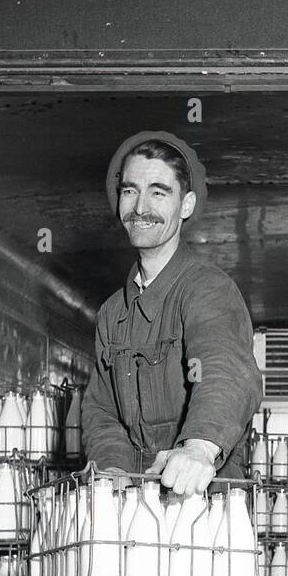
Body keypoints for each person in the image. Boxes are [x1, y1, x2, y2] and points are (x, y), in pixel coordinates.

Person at [82, 131, 262, 493]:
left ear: (186, 205)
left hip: (206, 503)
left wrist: (199, 446)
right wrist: (113, 469)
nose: (140, 208)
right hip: (134, 506)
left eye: (158, 192)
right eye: (130, 191)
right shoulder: (111, 312)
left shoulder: (207, 290)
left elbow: (223, 368)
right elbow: (102, 410)